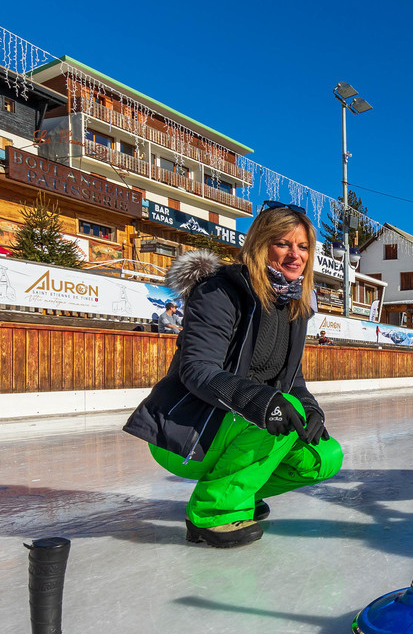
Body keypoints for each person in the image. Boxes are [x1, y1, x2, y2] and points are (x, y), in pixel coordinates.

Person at [124, 203, 343, 547]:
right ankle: (213, 513)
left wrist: (312, 410)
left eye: (303, 247)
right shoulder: (220, 291)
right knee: (281, 409)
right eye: (283, 244)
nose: (295, 255)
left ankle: (239, 490)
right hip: (191, 431)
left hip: (244, 428)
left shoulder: (293, 306)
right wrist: (263, 401)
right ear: (260, 244)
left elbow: (293, 381)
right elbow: (196, 369)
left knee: (325, 457)